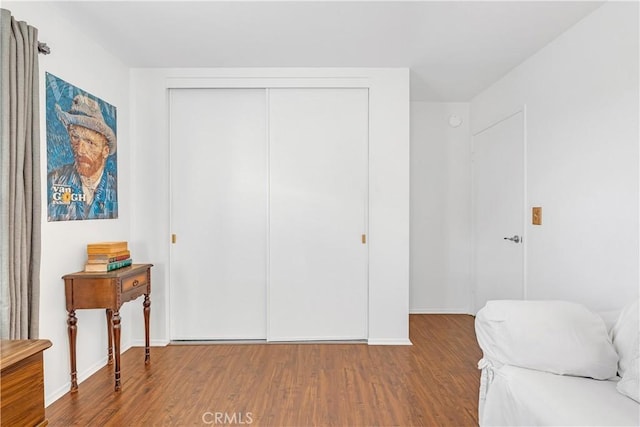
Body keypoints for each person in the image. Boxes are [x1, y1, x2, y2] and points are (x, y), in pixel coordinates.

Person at [47, 94, 117, 221]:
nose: (79, 150)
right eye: (75, 138)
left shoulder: (115, 187)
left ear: (105, 151)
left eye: (90, 142)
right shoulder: (53, 181)